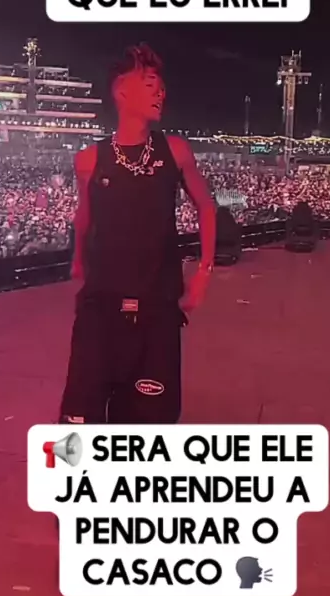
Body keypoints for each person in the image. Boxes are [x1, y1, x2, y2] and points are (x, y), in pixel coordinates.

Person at [59, 43, 216, 425]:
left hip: (157, 307)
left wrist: (203, 273)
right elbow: (84, 216)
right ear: (122, 92)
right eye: (150, 85)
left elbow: (207, 208)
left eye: (162, 87)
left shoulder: (175, 151)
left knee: (149, 422)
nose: (160, 93)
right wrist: (78, 260)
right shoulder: (89, 159)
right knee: (79, 421)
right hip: (101, 306)